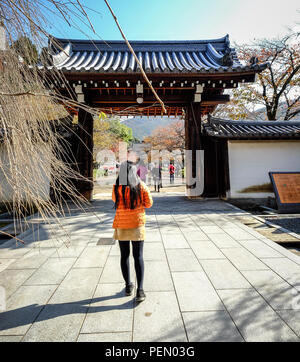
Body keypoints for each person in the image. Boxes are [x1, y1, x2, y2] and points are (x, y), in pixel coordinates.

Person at [112, 161, 153, 303]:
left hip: (122, 225)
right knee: (138, 257)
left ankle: (128, 286)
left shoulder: (117, 187)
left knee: (124, 256)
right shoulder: (140, 186)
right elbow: (149, 203)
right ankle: (140, 290)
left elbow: (114, 200)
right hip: (137, 225)